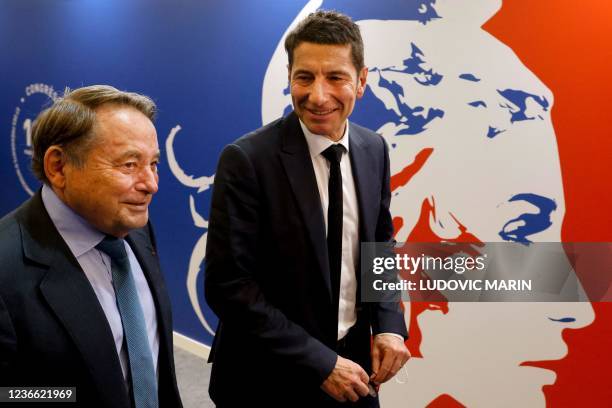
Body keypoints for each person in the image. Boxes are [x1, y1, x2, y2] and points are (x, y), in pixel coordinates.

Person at [204, 10, 409, 407]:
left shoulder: (373, 150)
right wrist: (321, 363)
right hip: (265, 377)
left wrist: (388, 325)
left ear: (361, 81)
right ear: (289, 77)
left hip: (353, 368)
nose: (318, 95)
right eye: (304, 77)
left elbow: (379, 246)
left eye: (335, 77)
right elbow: (229, 286)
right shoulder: (246, 159)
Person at [0, 85, 183, 408]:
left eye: (153, 164)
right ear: (58, 166)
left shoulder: (135, 227)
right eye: (128, 165)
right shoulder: (6, 266)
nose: (150, 184)